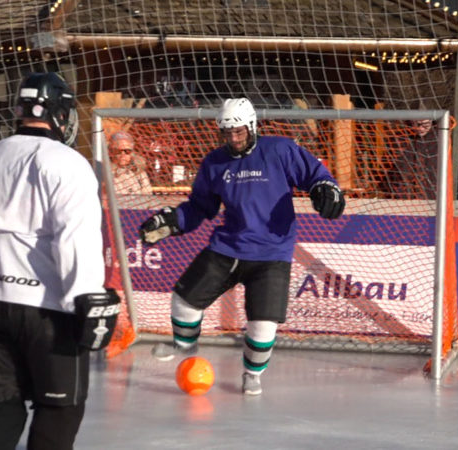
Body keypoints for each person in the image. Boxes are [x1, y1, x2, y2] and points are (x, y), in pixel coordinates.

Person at [139, 98, 345, 396]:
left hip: (272, 254)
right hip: (227, 247)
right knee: (183, 301)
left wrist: (327, 189)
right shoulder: (214, 162)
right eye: (227, 133)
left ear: (252, 126)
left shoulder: (280, 149)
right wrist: (173, 220)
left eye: (239, 132)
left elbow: (316, 176)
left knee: (263, 327)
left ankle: (252, 373)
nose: (233, 139)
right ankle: (183, 344)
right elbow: (200, 207)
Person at [0, 72, 119, 450]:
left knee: (1, 405)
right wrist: (86, 297)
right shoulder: (67, 162)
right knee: (60, 408)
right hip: (44, 308)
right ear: (62, 115)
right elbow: (75, 236)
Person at [386, 118, 439, 200]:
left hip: (431, 196)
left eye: (425, 125)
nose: (421, 129)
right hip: (405, 195)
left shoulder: (439, 139)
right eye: (417, 125)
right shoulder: (400, 138)